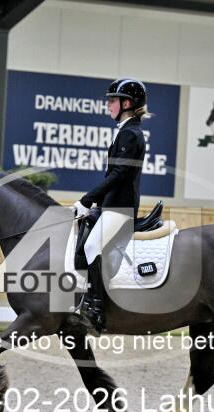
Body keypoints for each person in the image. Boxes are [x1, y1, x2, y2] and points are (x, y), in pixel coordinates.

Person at [73, 78, 148, 330]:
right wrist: (96, 204)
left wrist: (87, 199)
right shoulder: (125, 131)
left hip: (121, 207)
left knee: (93, 245)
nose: (108, 105)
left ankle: (96, 307)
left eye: (112, 100)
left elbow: (118, 175)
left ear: (127, 104)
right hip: (111, 204)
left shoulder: (131, 134)